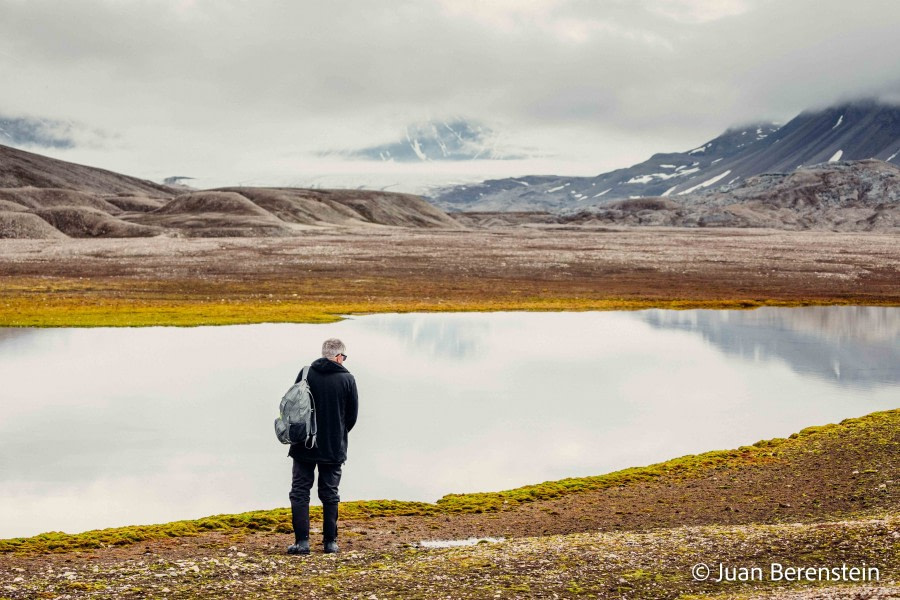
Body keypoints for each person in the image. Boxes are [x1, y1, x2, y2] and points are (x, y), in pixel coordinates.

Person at [287, 338, 359, 555]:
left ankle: (302, 543)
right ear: (338, 356)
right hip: (333, 445)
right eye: (344, 357)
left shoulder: (306, 373)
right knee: (330, 493)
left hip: (303, 443)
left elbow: (294, 406)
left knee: (300, 491)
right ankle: (330, 543)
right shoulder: (348, 379)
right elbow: (352, 417)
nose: (344, 361)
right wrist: (337, 432)